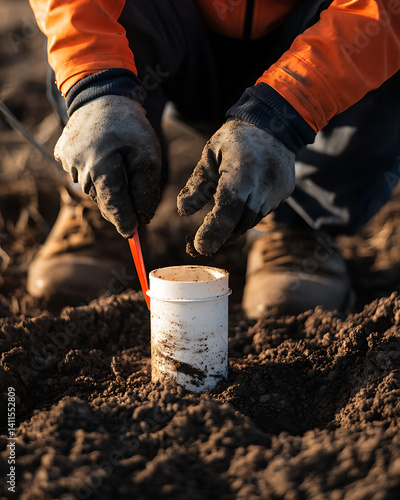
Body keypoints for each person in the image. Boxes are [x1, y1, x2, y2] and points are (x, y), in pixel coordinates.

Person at [27, 0, 400, 318]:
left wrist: (285, 112)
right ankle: (106, 193)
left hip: (316, 39)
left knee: (383, 43)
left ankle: (298, 225)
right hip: (176, 32)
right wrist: (94, 83)